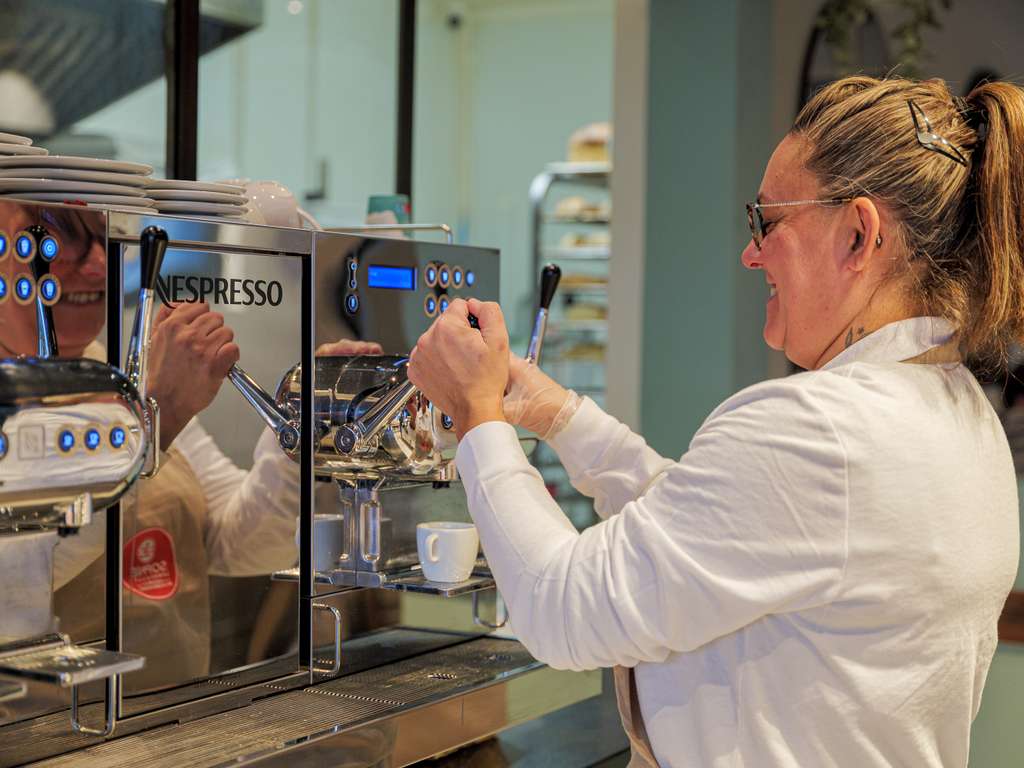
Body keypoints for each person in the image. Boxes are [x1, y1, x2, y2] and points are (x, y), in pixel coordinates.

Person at [407, 75, 1024, 767]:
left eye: (767, 221)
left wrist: (477, 418)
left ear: (858, 233)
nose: (749, 252)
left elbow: (560, 609)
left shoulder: (822, 432)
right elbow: (720, 535)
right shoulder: (959, 413)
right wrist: (559, 416)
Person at [0, 201, 378, 691]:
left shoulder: (123, 374)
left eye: (104, 238)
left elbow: (241, 543)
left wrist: (305, 419)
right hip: (48, 739)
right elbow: (17, 579)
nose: (97, 264)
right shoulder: (130, 390)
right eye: (58, 239)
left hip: (172, 721)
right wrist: (157, 415)